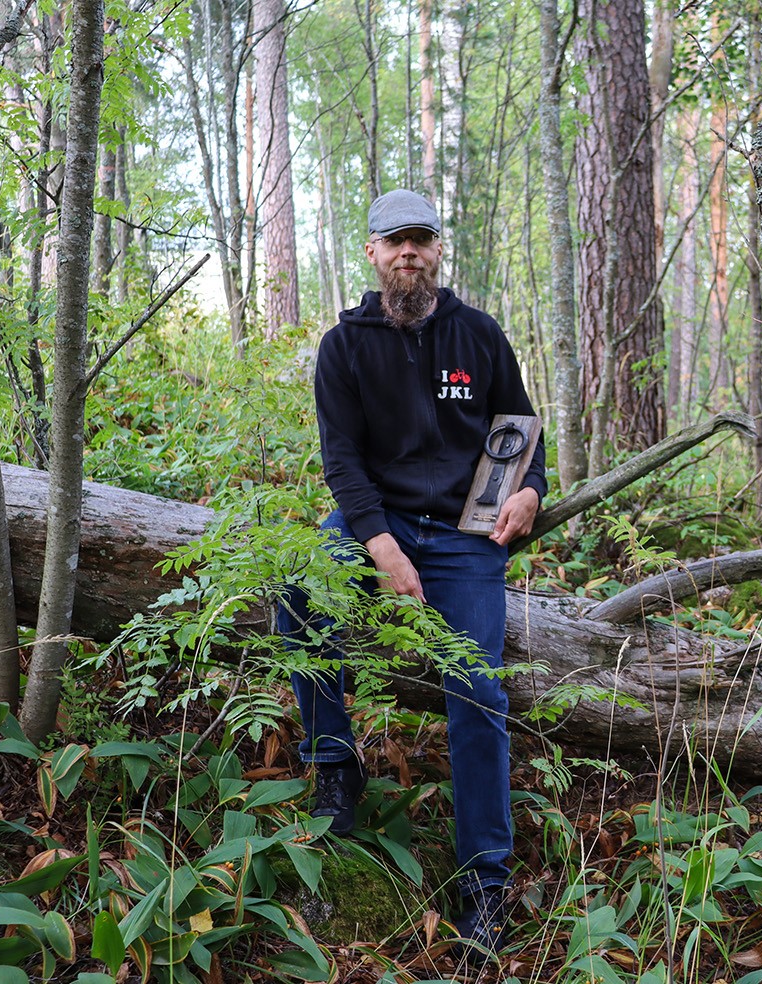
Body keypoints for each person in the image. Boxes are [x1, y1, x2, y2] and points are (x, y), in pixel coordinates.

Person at [277, 188, 545, 954]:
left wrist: (528, 491)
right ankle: (335, 764)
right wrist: (379, 545)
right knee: (299, 591)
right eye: (395, 240)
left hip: (464, 538)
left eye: (421, 239)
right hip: (377, 524)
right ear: (371, 252)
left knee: (478, 689)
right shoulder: (346, 345)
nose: (409, 252)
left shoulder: (480, 336)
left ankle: (486, 882)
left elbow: (523, 438)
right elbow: (342, 462)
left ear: (438, 249)